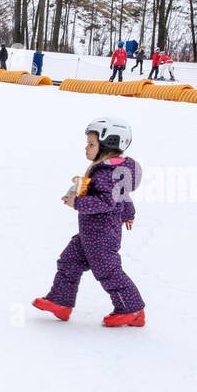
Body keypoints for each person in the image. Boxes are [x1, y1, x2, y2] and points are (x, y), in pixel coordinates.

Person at [33, 117, 145, 327]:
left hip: (101, 238)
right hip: (90, 235)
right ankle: (61, 302)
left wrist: (78, 202)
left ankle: (133, 310)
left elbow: (107, 201)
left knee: (108, 272)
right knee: (69, 262)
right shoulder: (109, 172)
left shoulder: (107, 174)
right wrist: (128, 214)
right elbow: (123, 198)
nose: (86, 147)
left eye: (92, 144)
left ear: (107, 146)